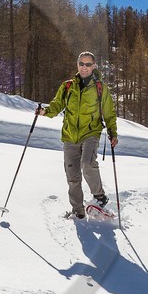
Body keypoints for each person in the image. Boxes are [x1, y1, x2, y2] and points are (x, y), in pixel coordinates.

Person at [39, 50, 118, 219]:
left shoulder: (100, 88)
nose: (84, 67)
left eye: (88, 64)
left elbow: (109, 113)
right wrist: (45, 111)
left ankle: (100, 197)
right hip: (69, 136)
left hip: (90, 133)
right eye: (81, 63)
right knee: (72, 176)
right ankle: (78, 211)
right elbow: (57, 105)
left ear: (94, 66)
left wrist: (113, 132)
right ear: (77, 65)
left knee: (87, 163)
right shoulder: (68, 86)